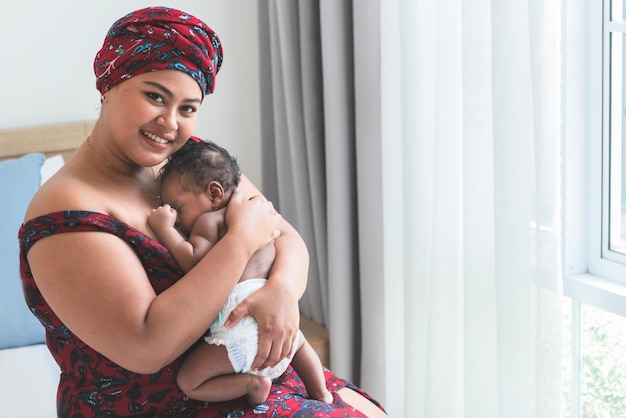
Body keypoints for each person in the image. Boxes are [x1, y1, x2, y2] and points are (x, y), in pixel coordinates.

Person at [18, 6, 387, 417]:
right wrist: (241, 240)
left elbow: (285, 238)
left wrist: (282, 291)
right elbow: (147, 348)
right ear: (108, 84)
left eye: (188, 108)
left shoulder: (191, 161)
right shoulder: (66, 210)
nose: (170, 123)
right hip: (156, 404)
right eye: (155, 96)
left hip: (251, 370)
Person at [147, 139, 333, 406]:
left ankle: (252, 384)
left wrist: (165, 228)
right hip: (281, 330)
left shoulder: (209, 221)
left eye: (178, 208)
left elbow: (193, 261)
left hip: (240, 327)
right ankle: (320, 392)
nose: (176, 217)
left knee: (189, 381)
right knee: (301, 344)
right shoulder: (257, 210)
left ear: (214, 193)